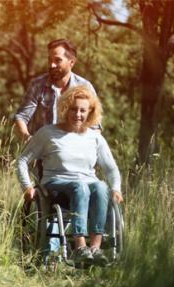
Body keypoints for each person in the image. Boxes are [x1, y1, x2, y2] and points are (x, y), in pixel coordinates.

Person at [16, 85, 124, 265]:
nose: (78, 114)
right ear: (65, 108)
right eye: (74, 109)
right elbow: (22, 161)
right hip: (56, 187)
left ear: (90, 112)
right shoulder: (48, 133)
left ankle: (95, 249)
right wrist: (26, 186)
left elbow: (111, 169)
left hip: (88, 188)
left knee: (101, 186)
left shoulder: (95, 137)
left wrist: (116, 188)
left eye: (83, 110)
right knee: (80, 186)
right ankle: (80, 246)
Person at [14, 39, 97, 142]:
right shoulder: (37, 85)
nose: (51, 65)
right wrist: (29, 140)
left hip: (73, 152)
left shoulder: (85, 87)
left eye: (57, 60)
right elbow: (21, 117)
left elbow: (95, 126)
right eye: (50, 60)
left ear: (71, 62)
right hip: (42, 152)